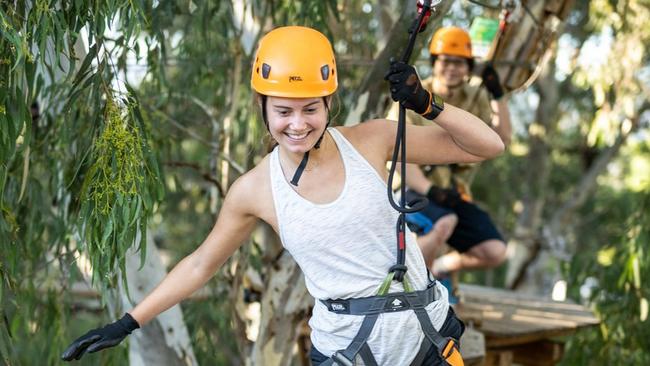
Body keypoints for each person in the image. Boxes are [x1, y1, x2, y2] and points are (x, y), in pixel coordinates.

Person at [61, 26, 503, 365]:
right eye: (283, 111)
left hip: (426, 342)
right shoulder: (254, 189)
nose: (297, 124)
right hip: (350, 352)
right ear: (263, 107)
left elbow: (487, 146)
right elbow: (200, 264)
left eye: (311, 108)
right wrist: (129, 321)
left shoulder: (373, 140)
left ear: (329, 103)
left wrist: (426, 103)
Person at [387, 26, 511, 279]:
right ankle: (407, 281)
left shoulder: (475, 98)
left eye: (459, 63)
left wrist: (497, 94)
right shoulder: (412, 96)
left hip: (452, 193)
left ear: (468, 68)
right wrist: (431, 190)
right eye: (445, 61)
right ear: (434, 63)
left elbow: (501, 140)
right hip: (411, 188)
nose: (452, 68)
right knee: (444, 222)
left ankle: (439, 269)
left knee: (495, 250)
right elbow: (397, 154)